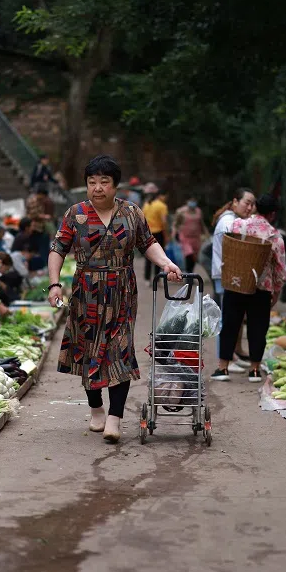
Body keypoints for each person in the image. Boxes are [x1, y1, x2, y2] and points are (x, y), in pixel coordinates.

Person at [47, 155, 183, 444]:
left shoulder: (132, 212)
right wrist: (54, 284)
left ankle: (115, 418)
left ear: (115, 185)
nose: (97, 188)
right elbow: (58, 248)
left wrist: (166, 264)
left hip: (122, 291)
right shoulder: (76, 214)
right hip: (86, 292)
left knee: (120, 350)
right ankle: (96, 408)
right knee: (88, 349)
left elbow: (148, 243)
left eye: (104, 182)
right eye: (92, 182)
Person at [212, 194, 286, 383]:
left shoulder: (237, 225)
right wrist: (276, 292)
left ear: (255, 207)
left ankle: (223, 368)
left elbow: (227, 249)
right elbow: (280, 270)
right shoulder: (275, 236)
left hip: (236, 282)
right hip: (261, 288)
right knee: (258, 327)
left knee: (229, 324)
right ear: (272, 214)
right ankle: (254, 370)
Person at [141, 183, 169, 281]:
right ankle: (157, 279)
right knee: (159, 256)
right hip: (159, 233)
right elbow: (164, 222)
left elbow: (142, 220)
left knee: (148, 256)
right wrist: (167, 235)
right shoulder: (162, 206)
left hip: (148, 233)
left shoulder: (146, 205)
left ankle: (147, 279)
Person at [173, 198, 208, 273]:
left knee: (194, 257)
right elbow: (176, 224)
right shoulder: (181, 212)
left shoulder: (198, 211)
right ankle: (188, 276)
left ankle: (190, 273)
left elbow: (201, 223)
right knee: (189, 254)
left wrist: (205, 234)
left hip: (196, 238)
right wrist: (174, 234)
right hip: (185, 238)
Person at [26, 186, 54, 270]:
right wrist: (45, 217)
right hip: (35, 228)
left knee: (44, 247)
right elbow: (33, 215)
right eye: (44, 196)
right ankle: (44, 266)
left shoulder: (39, 201)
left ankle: (45, 265)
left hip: (41, 228)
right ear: (41, 194)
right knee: (42, 248)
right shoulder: (33, 201)